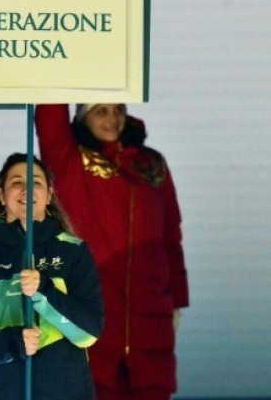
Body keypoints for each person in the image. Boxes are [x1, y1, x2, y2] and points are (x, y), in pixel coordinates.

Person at [35, 104, 188, 400]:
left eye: (117, 109)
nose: (112, 119)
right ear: (82, 117)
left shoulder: (152, 165)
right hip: (94, 314)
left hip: (149, 316)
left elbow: (171, 238)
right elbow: (49, 116)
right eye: (100, 111)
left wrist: (176, 302)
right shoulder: (69, 161)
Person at [0, 153, 104, 400]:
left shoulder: (73, 251)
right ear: (2, 195)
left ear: (49, 195)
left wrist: (44, 291)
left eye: (35, 183)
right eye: (17, 182)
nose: (26, 190)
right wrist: (12, 342)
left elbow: (88, 332)